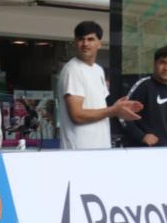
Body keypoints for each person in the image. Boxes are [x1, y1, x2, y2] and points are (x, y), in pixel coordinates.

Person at [57, 21, 142, 149]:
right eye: (81, 39)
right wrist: (113, 110)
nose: (85, 44)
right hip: (79, 151)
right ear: (75, 42)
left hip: (100, 148)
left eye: (90, 39)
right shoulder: (72, 70)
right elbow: (77, 115)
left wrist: (117, 109)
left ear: (99, 44)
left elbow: (98, 108)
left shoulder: (98, 70)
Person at [122, 46, 167, 154]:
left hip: (166, 152)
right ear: (155, 64)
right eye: (162, 62)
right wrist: (142, 136)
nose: (166, 68)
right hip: (142, 153)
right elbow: (122, 116)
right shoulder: (144, 86)